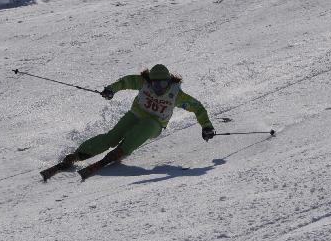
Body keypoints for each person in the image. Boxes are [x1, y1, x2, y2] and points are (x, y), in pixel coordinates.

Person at [40, 64, 216, 181]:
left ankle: (119, 152)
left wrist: (206, 126)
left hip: (155, 123)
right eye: (155, 84)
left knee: (146, 127)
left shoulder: (175, 94)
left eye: (162, 83)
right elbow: (125, 82)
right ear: (150, 81)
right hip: (135, 115)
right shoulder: (144, 83)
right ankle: (78, 155)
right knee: (111, 137)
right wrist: (111, 89)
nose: (158, 87)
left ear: (168, 82)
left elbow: (197, 108)